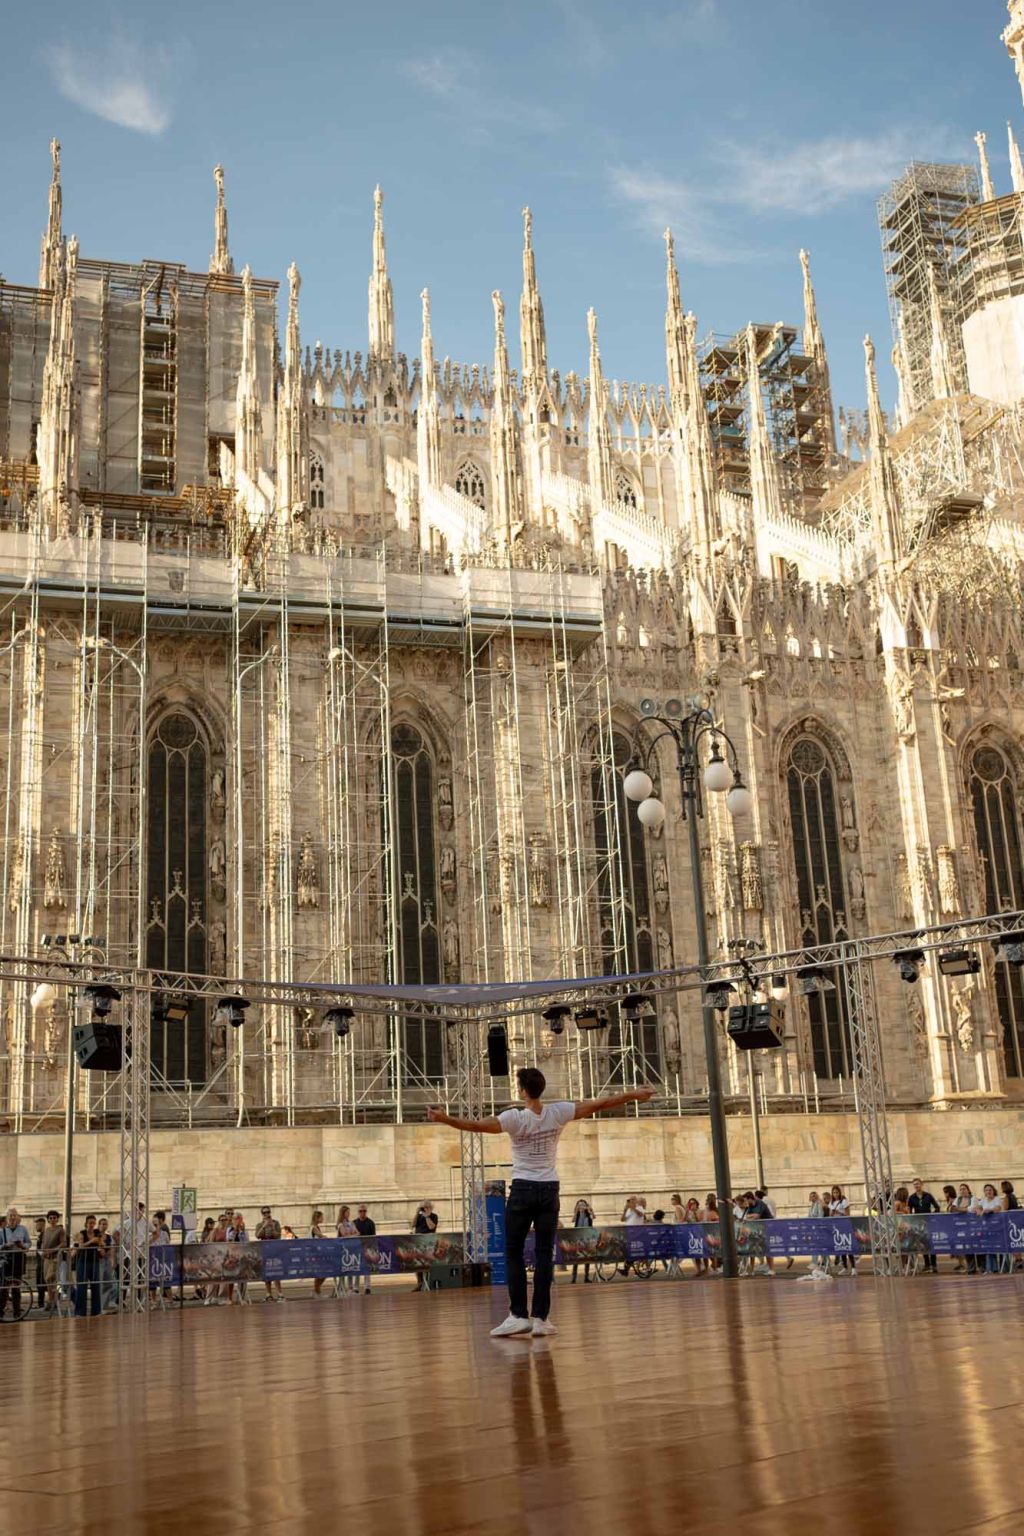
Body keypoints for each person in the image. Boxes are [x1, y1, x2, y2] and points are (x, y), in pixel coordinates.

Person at [428, 1067, 655, 1337]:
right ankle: (541, 1319)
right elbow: (600, 1103)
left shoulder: (514, 1118)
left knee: (513, 1252)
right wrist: (635, 1094)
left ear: (523, 1091)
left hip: (523, 1189)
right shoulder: (557, 1112)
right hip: (549, 1189)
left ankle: (518, 1315)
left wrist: (444, 1118)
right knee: (544, 1254)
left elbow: (476, 1126)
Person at [0, 1207, 30, 1319]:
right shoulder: (2, 1231)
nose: (12, 1218)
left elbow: (29, 1243)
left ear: (17, 1217)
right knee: (4, 1287)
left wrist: (22, 1245)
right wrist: (5, 1245)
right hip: (6, 1259)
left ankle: (17, 1313)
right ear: (7, 1218)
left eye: (14, 1215)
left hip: (18, 1258)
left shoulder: (23, 1229)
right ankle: (1, 1312)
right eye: (10, 1216)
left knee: (16, 1287)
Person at [72, 1214, 103, 1318]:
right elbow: (80, 1246)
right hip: (83, 1261)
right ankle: (80, 1312)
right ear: (86, 1223)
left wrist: (100, 1244)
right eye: (90, 1223)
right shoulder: (82, 1233)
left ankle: (96, 1311)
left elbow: (101, 1244)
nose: (92, 1225)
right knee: (82, 1286)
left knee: (96, 1286)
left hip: (95, 1261)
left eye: (93, 1223)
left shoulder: (97, 1233)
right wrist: (91, 1241)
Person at [973, 1183, 1007, 1274]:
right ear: (984, 1192)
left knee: (999, 1248)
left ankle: (1003, 1267)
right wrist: (978, 1210)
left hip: (998, 1227)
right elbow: (977, 1208)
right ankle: (991, 1268)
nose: (988, 1192)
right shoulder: (983, 1200)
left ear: (993, 1191)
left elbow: (997, 1208)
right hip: (986, 1228)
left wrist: (987, 1210)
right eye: (986, 1190)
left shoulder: (997, 1199)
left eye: (990, 1190)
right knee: (988, 1248)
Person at [907, 1179, 939, 1274]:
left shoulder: (928, 1195)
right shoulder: (911, 1198)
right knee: (923, 1242)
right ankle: (927, 1264)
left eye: (918, 1184)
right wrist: (913, 1220)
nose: (916, 1186)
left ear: (922, 1184)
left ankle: (934, 1264)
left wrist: (932, 1216)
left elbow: (937, 1207)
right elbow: (909, 1211)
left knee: (931, 1242)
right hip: (918, 1223)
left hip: (929, 1222)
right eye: (914, 1184)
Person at [256, 1206, 284, 1303]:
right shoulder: (260, 1225)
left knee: (276, 1271)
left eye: (268, 1212)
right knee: (267, 1272)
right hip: (265, 1250)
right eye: (264, 1213)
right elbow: (258, 1236)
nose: (266, 1214)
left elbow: (278, 1236)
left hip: (275, 1250)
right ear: (262, 1214)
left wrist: (272, 1226)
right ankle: (269, 1294)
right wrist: (264, 1226)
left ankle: (280, 1293)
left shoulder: (276, 1223)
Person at [40, 1209, 66, 1312]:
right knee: (47, 1280)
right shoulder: (46, 1230)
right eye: (50, 1218)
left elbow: (63, 1243)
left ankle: (52, 1301)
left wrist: (53, 1250)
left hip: (55, 1258)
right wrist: (43, 1252)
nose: (52, 1220)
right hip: (46, 1258)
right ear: (48, 1219)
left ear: (57, 1219)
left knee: (51, 1278)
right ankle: (51, 1301)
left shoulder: (60, 1230)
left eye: (54, 1218)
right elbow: (44, 1242)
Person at [413, 1202, 439, 1292]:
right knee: (418, 1263)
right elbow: (413, 1224)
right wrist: (417, 1213)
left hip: (429, 1242)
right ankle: (420, 1283)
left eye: (426, 1207)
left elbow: (431, 1227)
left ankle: (429, 1282)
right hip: (419, 1242)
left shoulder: (434, 1216)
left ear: (430, 1208)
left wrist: (427, 1217)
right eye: (423, 1207)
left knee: (428, 1263)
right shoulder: (419, 1216)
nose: (424, 1209)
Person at [569, 1197, 594, 1285]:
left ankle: (586, 1277)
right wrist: (576, 1212)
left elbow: (593, 1217)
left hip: (587, 1239)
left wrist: (590, 1210)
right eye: (579, 1205)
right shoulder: (577, 1215)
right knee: (576, 1259)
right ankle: (574, 1278)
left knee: (587, 1258)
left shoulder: (588, 1215)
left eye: (583, 1205)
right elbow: (572, 1220)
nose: (581, 1207)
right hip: (578, 1240)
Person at [336, 1205, 359, 1296]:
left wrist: (352, 1234)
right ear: (343, 1213)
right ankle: (342, 1288)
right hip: (343, 1249)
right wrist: (353, 1234)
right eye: (347, 1212)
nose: (349, 1214)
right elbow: (344, 1235)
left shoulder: (351, 1223)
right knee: (344, 1268)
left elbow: (357, 1232)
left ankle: (351, 1288)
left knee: (352, 1267)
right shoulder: (340, 1224)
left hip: (352, 1247)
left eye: (349, 1212)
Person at [354, 1205, 376, 1294]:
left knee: (367, 1268)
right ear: (358, 1212)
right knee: (356, 1268)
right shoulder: (354, 1223)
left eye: (364, 1211)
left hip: (367, 1248)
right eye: (360, 1211)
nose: (362, 1213)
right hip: (357, 1248)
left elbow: (373, 1236)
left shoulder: (370, 1223)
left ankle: (367, 1287)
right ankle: (355, 1287)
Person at [310, 1210, 328, 1297]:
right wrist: (326, 1237)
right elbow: (320, 1236)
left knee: (322, 1272)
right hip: (314, 1254)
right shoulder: (313, 1227)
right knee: (321, 1272)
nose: (323, 1218)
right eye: (321, 1217)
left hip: (318, 1253)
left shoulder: (316, 1227)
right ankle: (316, 1291)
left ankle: (316, 1291)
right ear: (317, 1218)